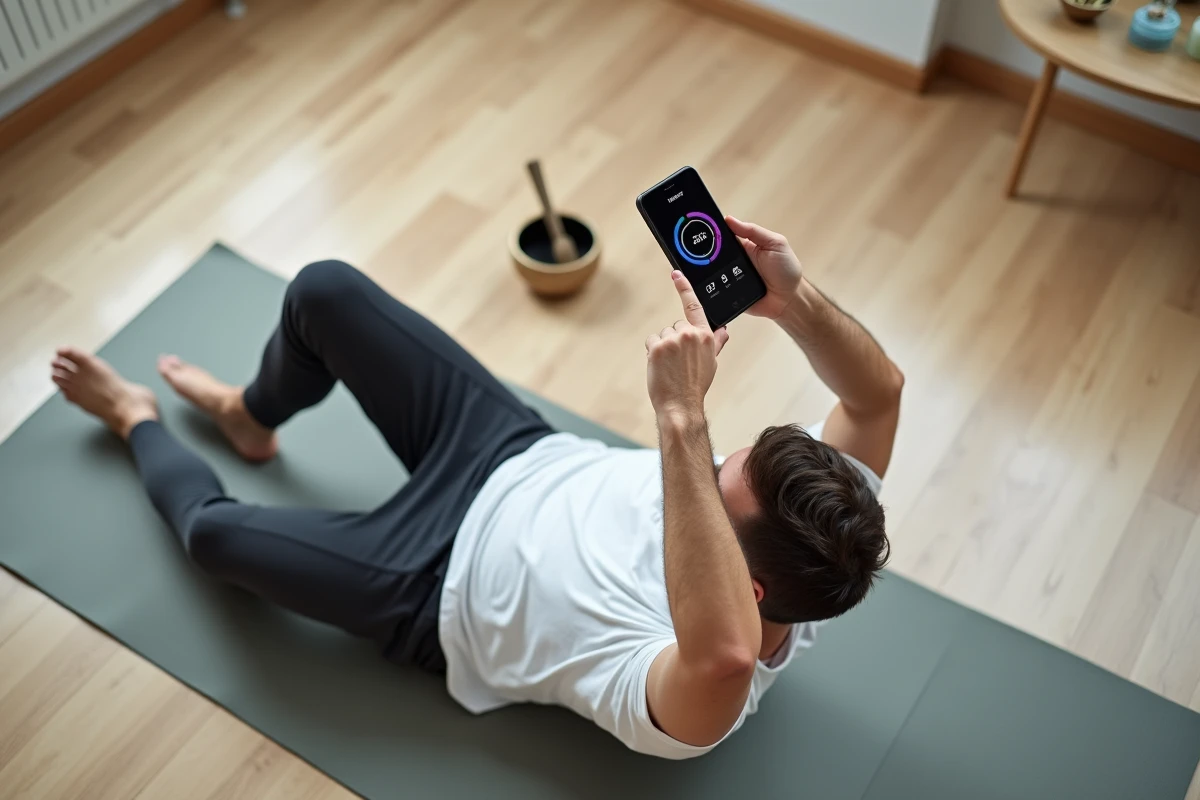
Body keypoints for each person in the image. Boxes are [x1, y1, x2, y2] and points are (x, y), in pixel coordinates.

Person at [51, 216, 902, 759]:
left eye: (714, 484)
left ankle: (132, 417)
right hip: (512, 451)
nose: (701, 469)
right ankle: (249, 415)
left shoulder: (705, 696)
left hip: (437, 585)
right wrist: (792, 299)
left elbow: (723, 654)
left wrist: (681, 418)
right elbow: (877, 396)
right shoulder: (824, 516)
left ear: (750, 591)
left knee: (213, 538)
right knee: (323, 291)